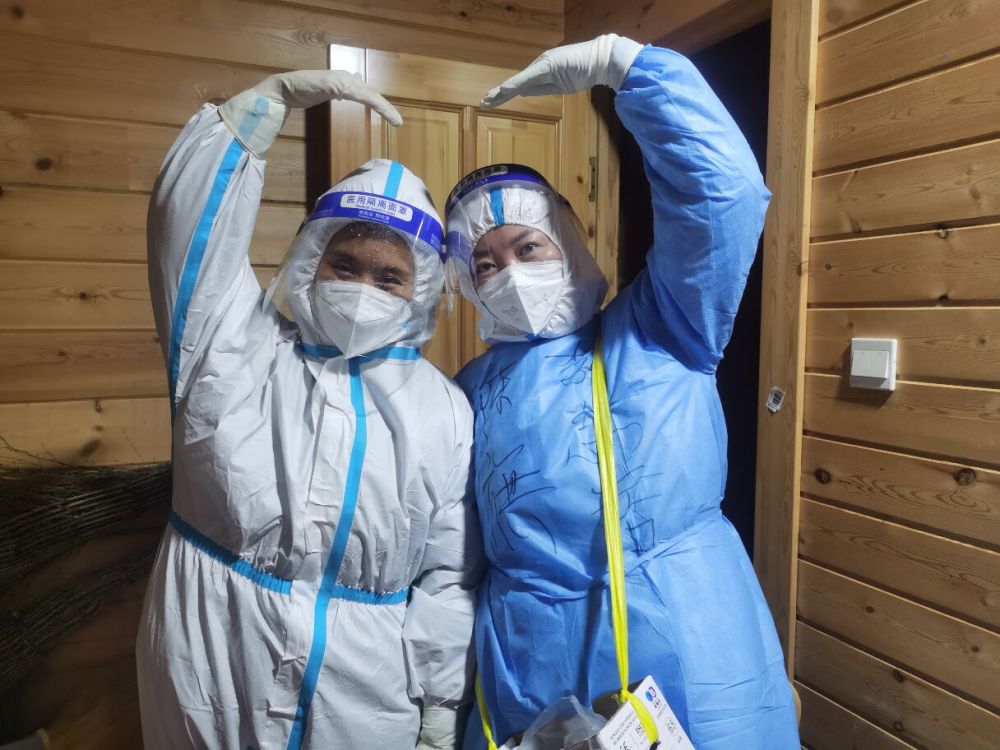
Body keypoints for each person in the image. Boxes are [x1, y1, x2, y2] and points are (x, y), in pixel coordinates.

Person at [444, 35, 799, 749]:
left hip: (689, 637)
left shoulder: (663, 325)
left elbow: (722, 198)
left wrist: (629, 68)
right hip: (528, 665)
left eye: (527, 247)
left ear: (570, 239)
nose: (508, 273)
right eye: (484, 263)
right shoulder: (468, 393)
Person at [137, 69, 481, 750]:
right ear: (310, 262)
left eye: (389, 277)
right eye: (345, 265)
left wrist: (441, 706)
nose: (363, 288)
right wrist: (251, 118)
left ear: (419, 293)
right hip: (212, 653)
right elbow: (185, 236)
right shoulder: (232, 347)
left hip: (361, 692)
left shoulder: (444, 411)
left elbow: (450, 572)